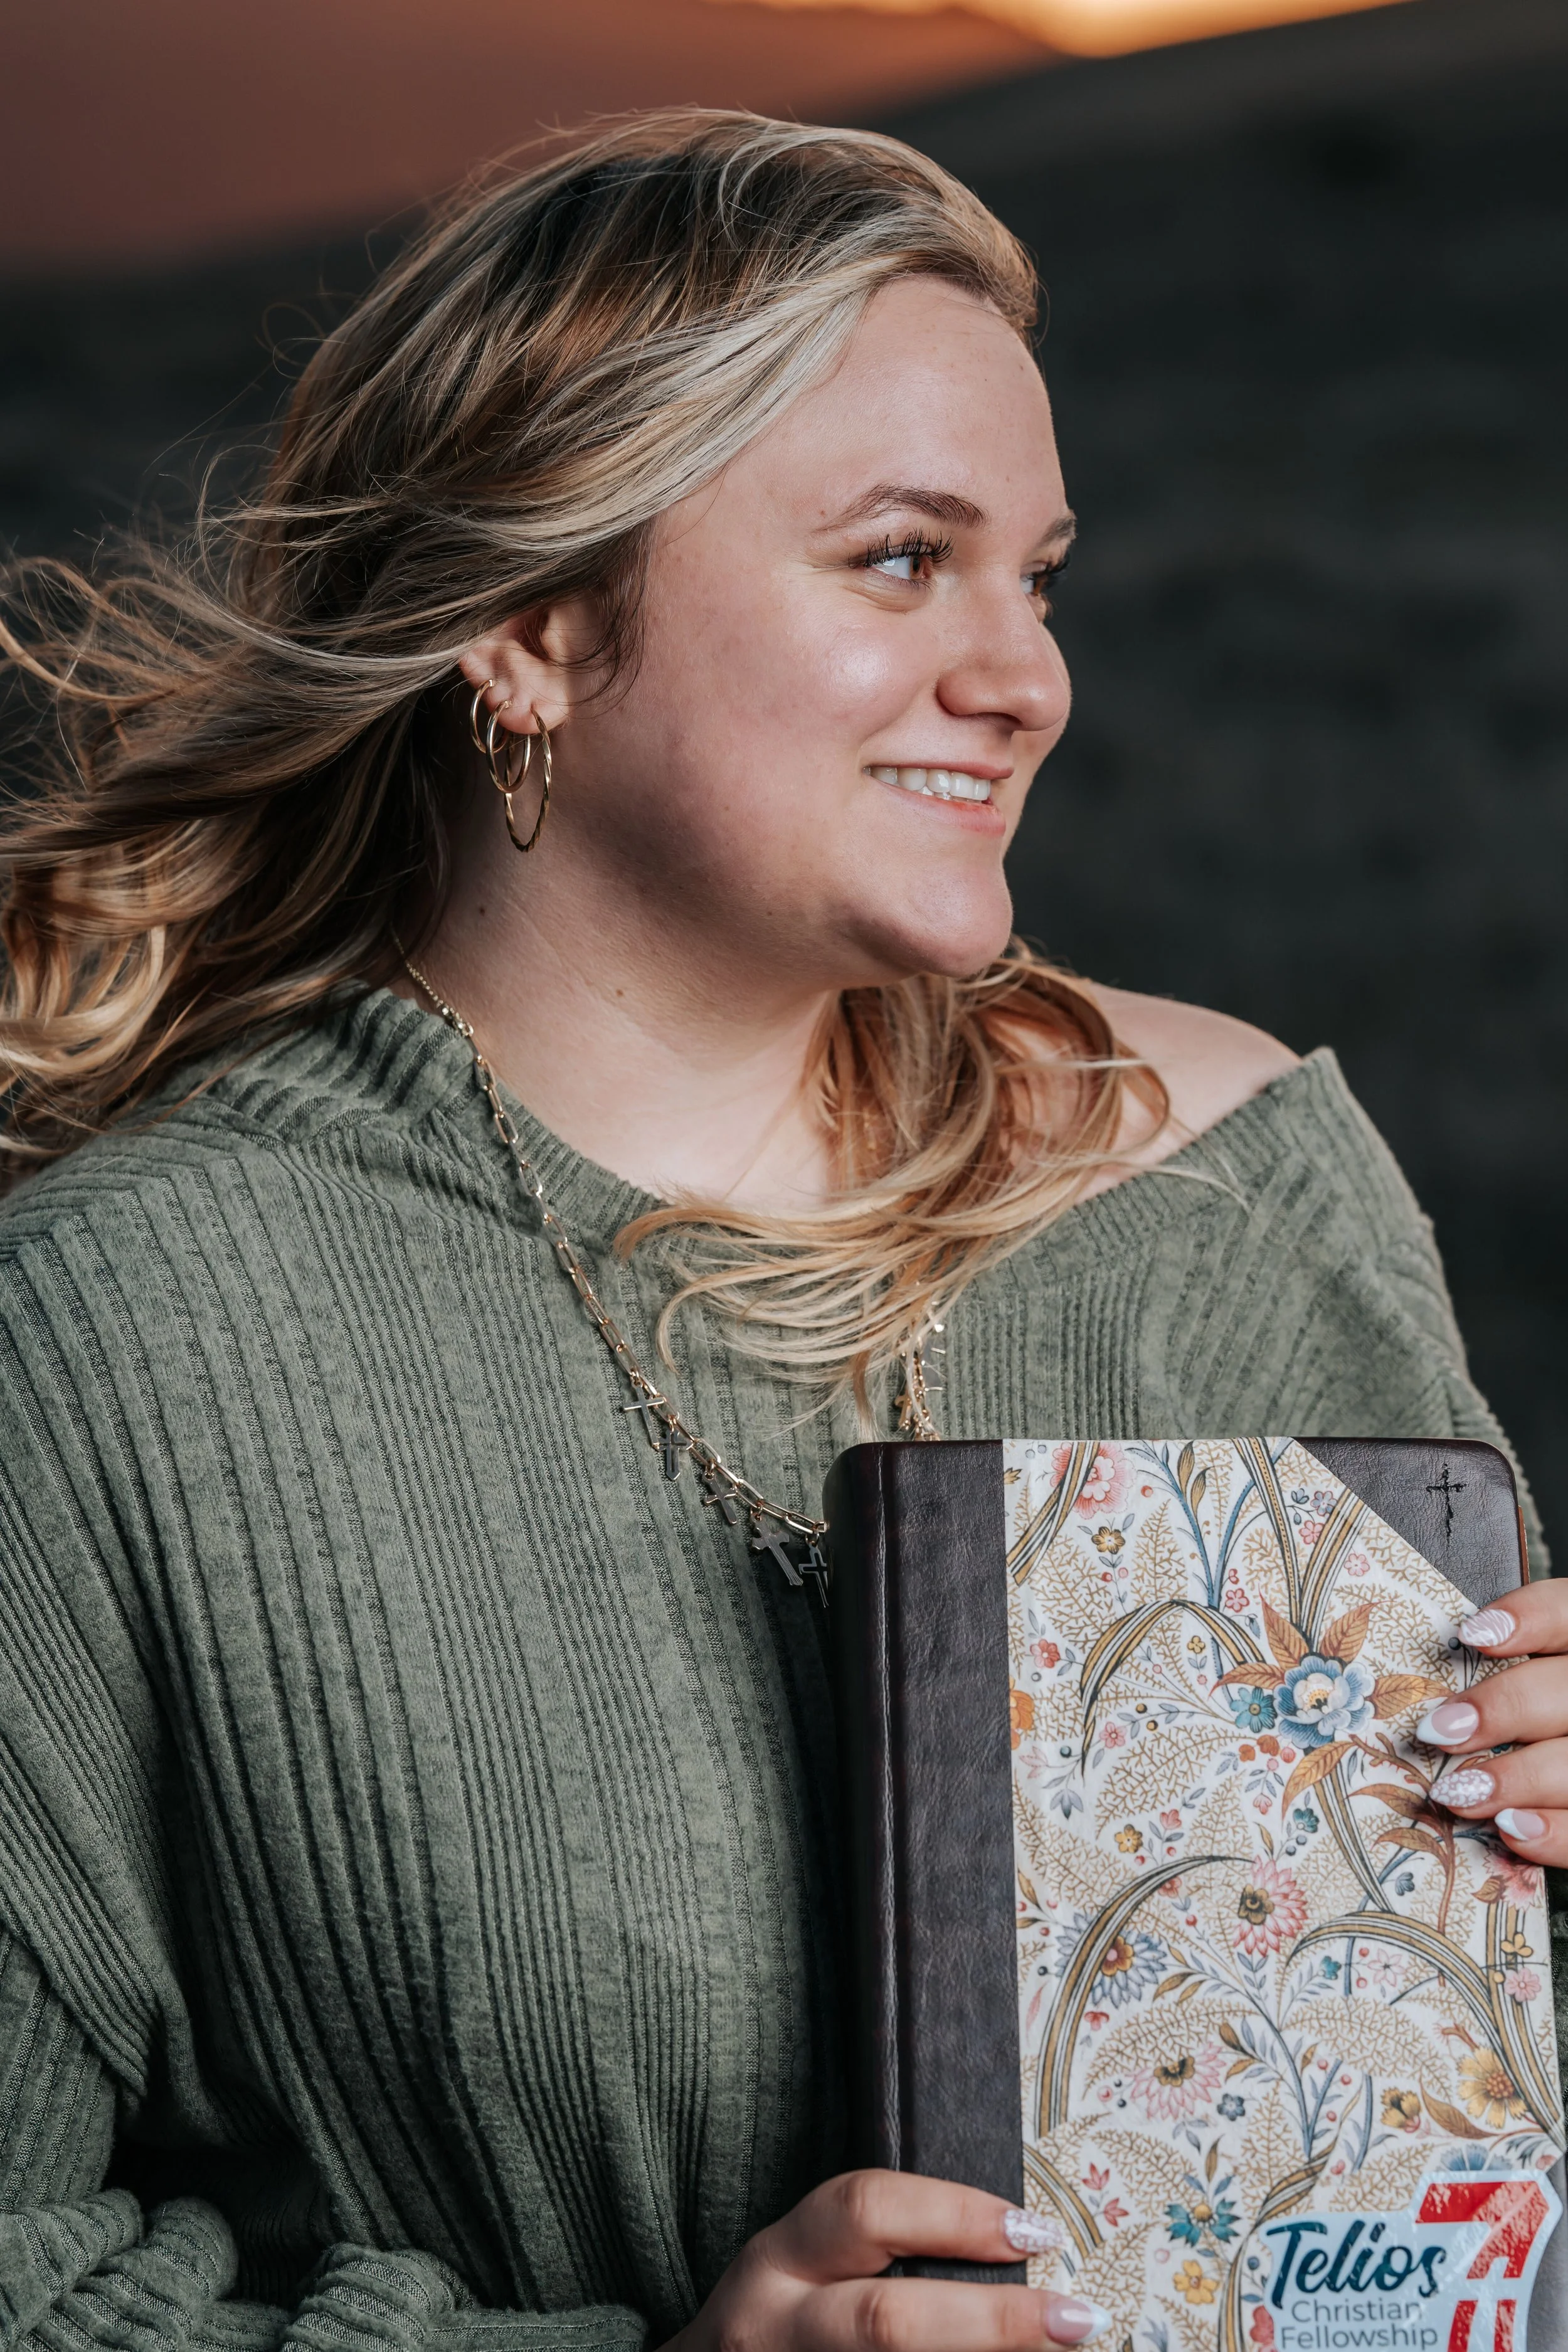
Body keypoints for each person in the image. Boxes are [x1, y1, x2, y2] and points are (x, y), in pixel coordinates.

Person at [0, 110, 1558, 2352]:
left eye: (1038, 573)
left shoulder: (1215, 1180)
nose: (1023, 675)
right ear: (529, 624)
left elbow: (1469, 2175)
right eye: (902, 559)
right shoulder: (122, 1338)